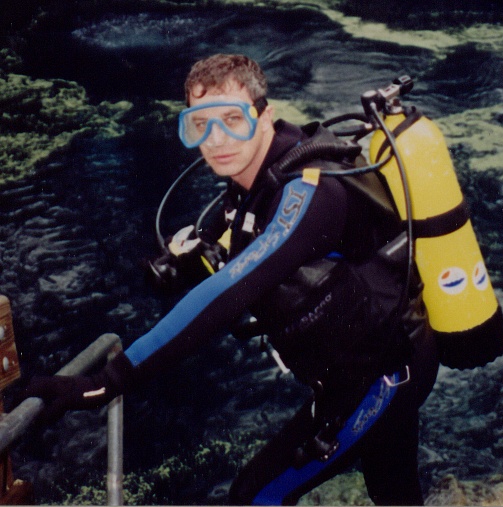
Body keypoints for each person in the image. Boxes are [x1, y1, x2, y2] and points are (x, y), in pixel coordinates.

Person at [20, 54, 439, 505]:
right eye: (199, 124)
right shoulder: (250, 185)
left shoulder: (311, 194)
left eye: (232, 120)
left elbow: (229, 292)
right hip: (383, 354)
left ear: (265, 117)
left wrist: (107, 381)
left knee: (255, 496)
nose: (216, 140)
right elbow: (222, 255)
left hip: (385, 375)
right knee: (394, 491)